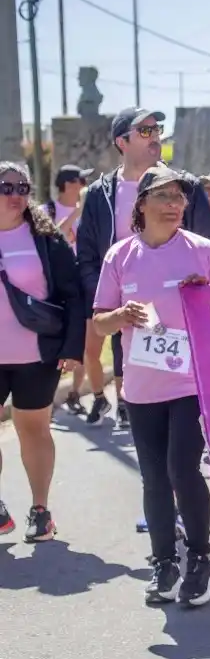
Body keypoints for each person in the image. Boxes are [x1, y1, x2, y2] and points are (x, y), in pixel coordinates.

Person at [92, 167, 210, 606]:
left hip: (191, 382)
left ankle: (200, 558)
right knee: (153, 478)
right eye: (164, 196)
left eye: (179, 197)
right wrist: (120, 317)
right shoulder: (120, 256)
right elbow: (99, 322)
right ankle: (164, 562)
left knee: (182, 469)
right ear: (142, 204)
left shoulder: (203, 251)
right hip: (141, 386)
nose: (174, 205)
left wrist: (205, 294)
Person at [77, 107, 210, 433]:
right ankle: (132, 412)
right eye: (144, 130)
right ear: (122, 142)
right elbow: (86, 256)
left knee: (182, 415)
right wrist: (108, 299)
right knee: (144, 408)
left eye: (157, 129)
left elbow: (209, 247)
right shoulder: (100, 193)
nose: (155, 136)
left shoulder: (186, 185)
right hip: (127, 310)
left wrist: (198, 288)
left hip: (180, 317)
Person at [0, 162, 85, 542]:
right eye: (6, 188)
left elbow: (73, 295)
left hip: (37, 354)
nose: (16, 195)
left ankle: (40, 511)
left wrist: (72, 347)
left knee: (33, 430)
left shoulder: (47, 239)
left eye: (23, 188)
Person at [49, 165, 92, 414]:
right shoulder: (47, 211)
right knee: (56, 340)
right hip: (58, 285)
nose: (85, 186)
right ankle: (48, 395)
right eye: (81, 181)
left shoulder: (89, 211)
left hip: (81, 280)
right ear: (68, 184)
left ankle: (74, 393)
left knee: (83, 340)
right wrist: (77, 211)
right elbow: (55, 236)